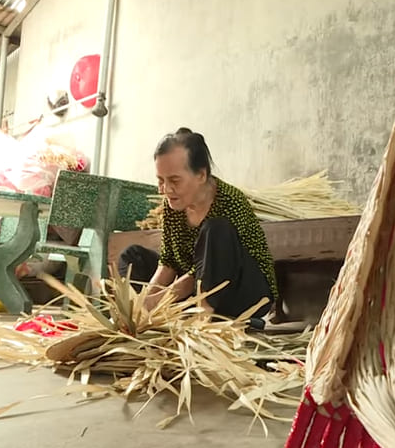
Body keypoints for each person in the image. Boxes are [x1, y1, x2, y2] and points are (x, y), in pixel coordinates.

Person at [117, 127, 278, 319]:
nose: (165, 189)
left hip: (243, 294)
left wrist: (158, 301)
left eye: (174, 180)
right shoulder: (173, 205)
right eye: (161, 180)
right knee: (133, 256)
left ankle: (200, 319)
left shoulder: (230, 201)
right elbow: (168, 262)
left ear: (201, 175)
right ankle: (142, 319)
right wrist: (145, 300)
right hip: (194, 290)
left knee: (215, 230)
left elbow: (204, 269)